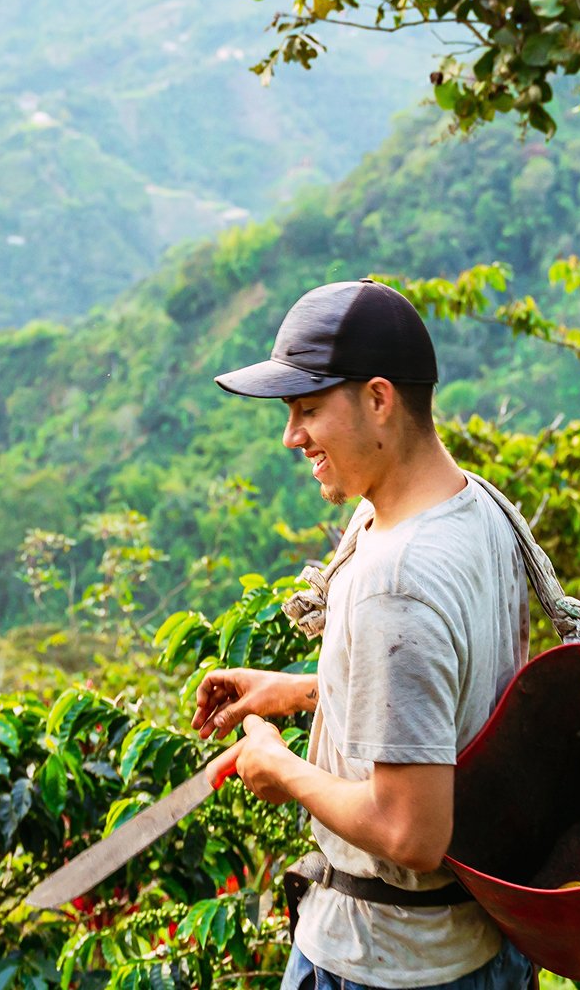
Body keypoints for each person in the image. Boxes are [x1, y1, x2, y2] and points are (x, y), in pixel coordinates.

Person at [194, 280, 537, 990]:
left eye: (309, 409)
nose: (292, 436)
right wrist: (297, 690)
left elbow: (412, 834)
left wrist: (279, 769)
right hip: (483, 946)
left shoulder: (397, 579)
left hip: (391, 965)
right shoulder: (475, 509)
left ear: (379, 399)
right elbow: (447, 687)